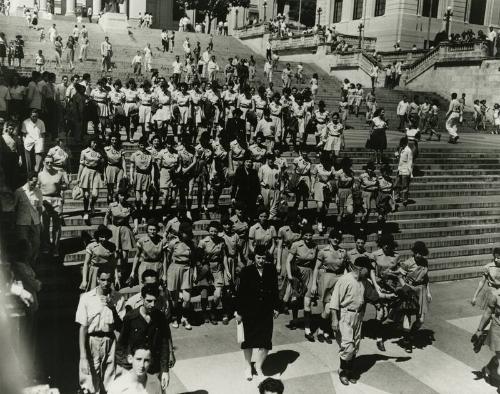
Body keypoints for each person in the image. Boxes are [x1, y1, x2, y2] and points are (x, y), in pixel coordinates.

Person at [76, 265, 125, 394]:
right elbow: (83, 328)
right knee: (91, 382)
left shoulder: (118, 298)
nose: (106, 283)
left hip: (110, 341)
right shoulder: (86, 298)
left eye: (109, 280)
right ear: (97, 279)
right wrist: (83, 356)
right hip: (92, 341)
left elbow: (121, 327)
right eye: (103, 279)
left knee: (110, 381)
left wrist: (112, 307)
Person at [235, 244, 279, 381]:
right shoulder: (247, 271)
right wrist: (239, 311)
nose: (261, 260)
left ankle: (259, 366)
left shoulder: (271, 269)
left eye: (263, 258)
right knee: (248, 341)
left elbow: (275, 290)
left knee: (265, 341)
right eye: (258, 257)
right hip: (249, 312)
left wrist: (276, 307)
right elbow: (240, 293)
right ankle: (248, 366)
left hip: (265, 312)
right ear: (254, 257)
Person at [116, 284, 172, 393]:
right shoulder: (131, 317)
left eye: (155, 301)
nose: (152, 305)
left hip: (154, 368)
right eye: (149, 301)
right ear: (142, 299)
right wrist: (126, 367)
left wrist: (165, 370)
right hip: (135, 367)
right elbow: (121, 344)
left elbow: (164, 344)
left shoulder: (160, 318)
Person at [330, 256, 373, 385]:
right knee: (348, 346)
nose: (369, 272)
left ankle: (350, 371)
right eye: (368, 269)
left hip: (358, 316)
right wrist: (334, 320)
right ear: (360, 268)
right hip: (345, 315)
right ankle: (342, 371)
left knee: (355, 346)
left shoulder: (364, 281)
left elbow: (371, 297)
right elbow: (334, 301)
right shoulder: (345, 280)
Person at [312, 229, 349, 343]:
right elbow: (316, 268)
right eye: (334, 237)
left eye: (338, 238)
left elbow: (346, 267)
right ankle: (320, 329)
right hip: (327, 280)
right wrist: (314, 283)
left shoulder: (343, 252)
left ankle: (326, 332)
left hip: (339, 280)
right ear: (330, 239)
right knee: (327, 309)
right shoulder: (323, 251)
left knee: (335, 308)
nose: (336, 240)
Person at [285, 225, 318, 339]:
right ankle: (294, 319)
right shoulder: (296, 245)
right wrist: (290, 276)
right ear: (302, 235)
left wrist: (315, 282)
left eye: (310, 235)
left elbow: (315, 265)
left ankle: (307, 329)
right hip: (297, 274)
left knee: (307, 303)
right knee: (296, 300)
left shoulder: (314, 246)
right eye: (306, 235)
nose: (308, 237)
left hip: (310, 274)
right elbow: (288, 261)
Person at [166, 221, 196, 329]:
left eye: (188, 233)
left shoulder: (192, 244)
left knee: (187, 298)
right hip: (174, 269)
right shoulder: (173, 243)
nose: (186, 235)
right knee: (174, 298)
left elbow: (194, 260)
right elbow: (167, 259)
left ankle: (184, 317)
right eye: (185, 233)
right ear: (181, 232)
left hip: (187, 270)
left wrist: (195, 271)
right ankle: (174, 317)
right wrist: (165, 274)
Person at [38, 156, 68, 256]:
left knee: (57, 226)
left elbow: (65, 186)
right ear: (43, 163)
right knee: (44, 226)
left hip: (56, 200)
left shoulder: (59, 173)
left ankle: (56, 247)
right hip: (45, 201)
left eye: (51, 162)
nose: (49, 164)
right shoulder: (40, 175)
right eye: (47, 163)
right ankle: (46, 246)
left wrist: (61, 187)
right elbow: (37, 189)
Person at [14, 172, 43, 264]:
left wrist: (40, 221)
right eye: (33, 182)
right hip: (22, 222)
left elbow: (39, 208)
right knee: (23, 244)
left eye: (36, 182)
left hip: (35, 222)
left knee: (36, 243)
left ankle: (32, 261)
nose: (35, 184)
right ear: (28, 180)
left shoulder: (38, 191)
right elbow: (14, 207)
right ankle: (24, 264)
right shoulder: (19, 192)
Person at [78, 139, 105, 223]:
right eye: (94, 142)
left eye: (96, 142)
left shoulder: (99, 152)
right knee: (86, 195)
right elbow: (81, 165)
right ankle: (86, 211)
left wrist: (103, 174)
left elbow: (102, 165)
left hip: (96, 172)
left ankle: (92, 204)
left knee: (95, 194)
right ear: (90, 143)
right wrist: (78, 177)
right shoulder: (84, 152)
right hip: (86, 171)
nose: (95, 144)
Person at [395, 136, 413, 206]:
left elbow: (410, 162)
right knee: (397, 184)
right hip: (400, 170)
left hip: (406, 171)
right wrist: (396, 151)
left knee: (405, 186)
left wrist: (410, 173)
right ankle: (397, 197)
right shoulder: (401, 149)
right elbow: (398, 157)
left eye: (401, 143)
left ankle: (405, 199)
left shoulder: (408, 150)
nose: (400, 144)